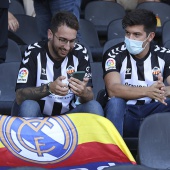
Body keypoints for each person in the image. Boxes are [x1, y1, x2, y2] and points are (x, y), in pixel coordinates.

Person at [11, 11, 104, 117]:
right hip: (38, 117)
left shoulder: (80, 52)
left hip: (68, 117)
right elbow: (20, 96)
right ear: (50, 34)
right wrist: (49, 88)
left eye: (72, 41)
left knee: (94, 107)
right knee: (29, 106)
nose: (67, 47)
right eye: (63, 40)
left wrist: (83, 93)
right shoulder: (33, 52)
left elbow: (89, 96)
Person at [102, 9, 170, 137]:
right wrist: (148, 91)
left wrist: (164, 91)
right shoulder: (113, 54)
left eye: (136, 35)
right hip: (125, 113)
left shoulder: (164, 55)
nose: (130, 39)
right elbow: (113, 89)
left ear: (150, 36)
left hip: (153, 111)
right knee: (115, 103)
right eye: (127, 33)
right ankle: (114, 154)